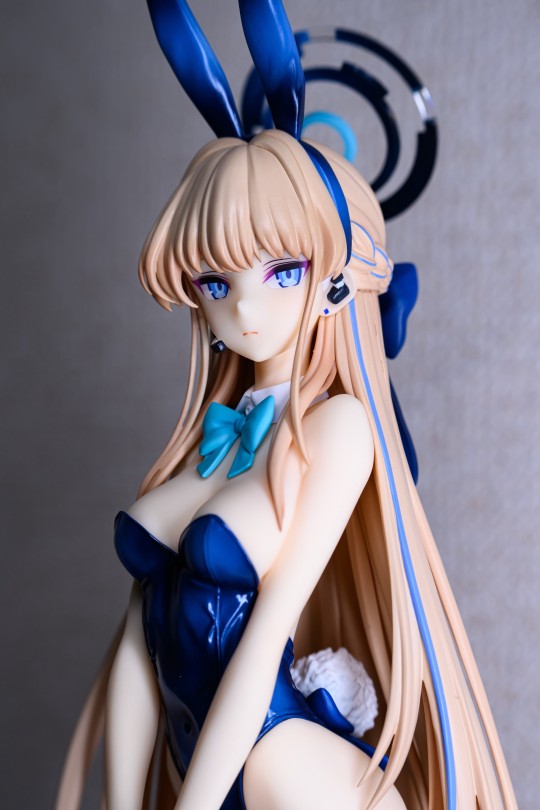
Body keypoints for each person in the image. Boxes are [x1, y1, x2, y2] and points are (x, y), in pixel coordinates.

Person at [55, 2, 518, 809]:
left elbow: (266, 632)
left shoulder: (338, 428)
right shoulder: (208, 435)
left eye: (282, 272)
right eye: (215, 281)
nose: (244, 307)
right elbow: (136, 649)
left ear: (334, 279)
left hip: (283, 766)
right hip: (200, 766)